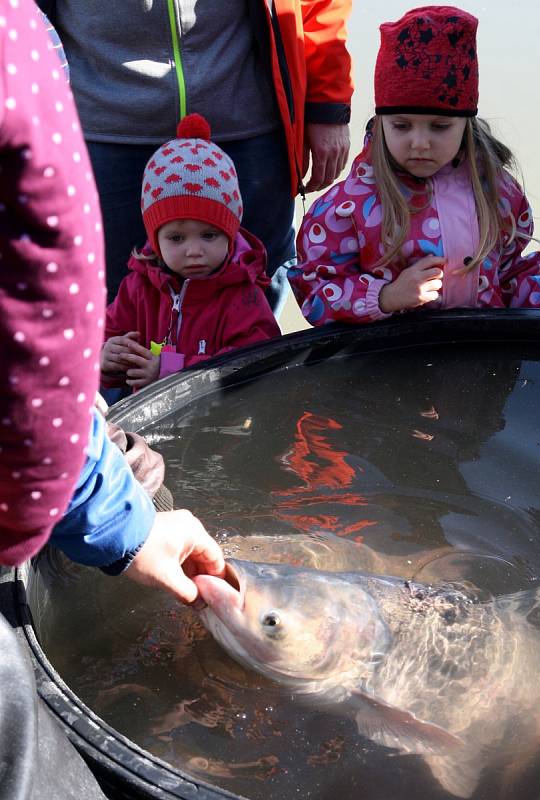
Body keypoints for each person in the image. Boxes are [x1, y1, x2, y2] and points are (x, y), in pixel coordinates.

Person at [0, 4, 225, 797]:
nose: (191, 253)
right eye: (175, 239)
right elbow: (33, 321)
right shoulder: (17, 50)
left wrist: (93, 454)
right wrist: (97, 486)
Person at [37, 1, 354, 317]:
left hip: (249, 127)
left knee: (255, 316)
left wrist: (326, 103)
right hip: (100, 133)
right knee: (115, 326)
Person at [288, 5, 540, 326]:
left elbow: (513, 273)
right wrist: (385, 296)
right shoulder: (348, 207)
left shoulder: (497, 193)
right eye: (401, 126)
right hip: (392, 367)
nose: (420, 143)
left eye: (439, 127)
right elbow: (313, 288)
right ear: (381, 122)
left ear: (466, 124)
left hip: (484, 362)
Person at [100, 113, 282, 392]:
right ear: (154, 237)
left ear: (231, 232)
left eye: (209, 235)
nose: (194, 251)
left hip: (224, 428)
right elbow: (108, 344)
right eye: (176, 238)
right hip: (146, 430)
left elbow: (253, 366)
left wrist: (169, 371)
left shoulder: (245, 295)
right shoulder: (137, 288)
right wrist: (105, 358)